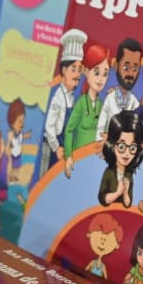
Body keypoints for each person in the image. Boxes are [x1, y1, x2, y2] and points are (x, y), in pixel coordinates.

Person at [39, 28, 87, 180]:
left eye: (79, 69)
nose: (77, 74)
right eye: (73, 69)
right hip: (53, 146)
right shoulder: (58, 98)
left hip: (64, 146)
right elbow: (49, 127)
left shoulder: (72, 97)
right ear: (64, 70)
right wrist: (56, 147)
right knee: (47, 179)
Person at [63, 43, 111, 178]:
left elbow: (106, 134)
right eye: (97, 72)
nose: (101, 79)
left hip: (94, 164)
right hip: (78, 161)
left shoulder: (102, 106)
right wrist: (68, 156)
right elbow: (69, 131)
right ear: (85, 70)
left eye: (105, 74)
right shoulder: (81, 103)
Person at [96, 38, 143, 141]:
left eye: (135, 69)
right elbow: (100, 128)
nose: (130, 74)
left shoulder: (135, 103)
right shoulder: (110, 99)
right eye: (126, 68)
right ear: (116, 66)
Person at [96, 110, 143, 208]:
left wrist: (125, 192)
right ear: (112, 145)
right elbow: (102, 199)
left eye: (132, 148)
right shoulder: (109, 172)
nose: (127, 153)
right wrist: (117, 193)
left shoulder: (129, 175)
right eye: (122, 147)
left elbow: (128, 204)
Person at [84, 212, 123, 280]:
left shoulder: (103, 266)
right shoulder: (93, 262)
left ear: (116, 246)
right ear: (89, 235)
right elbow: (85, 271)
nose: (102, 243)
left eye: (108, 240)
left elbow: (105, 278)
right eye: (100, 238)